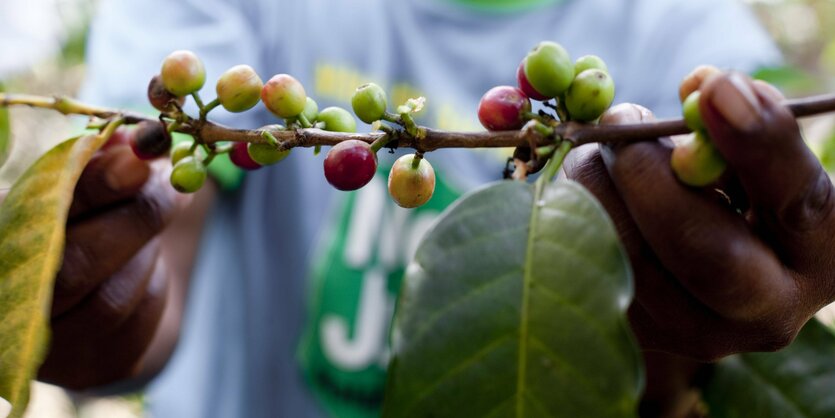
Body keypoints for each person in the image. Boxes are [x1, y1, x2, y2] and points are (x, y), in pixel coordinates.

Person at [26, 0, 835, 416]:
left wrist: (704, 334)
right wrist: (95, 294)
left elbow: (764, 205)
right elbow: (160, 204)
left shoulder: (685, 30)